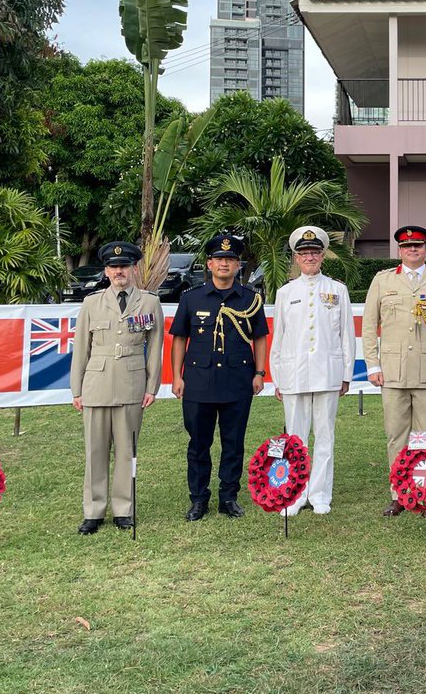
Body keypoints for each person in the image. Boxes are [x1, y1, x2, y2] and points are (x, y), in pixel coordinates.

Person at [362, 224, 426, 517]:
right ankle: (399, 493)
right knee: (396, 435)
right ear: (399, 250)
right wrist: (373, 364)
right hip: (393, 372)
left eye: (418, 246)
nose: (412, 250)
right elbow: (370, 326)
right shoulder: (382, 281)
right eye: (407, 246)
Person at [170, 231, 269, 521]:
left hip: (238, 381)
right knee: (198, 444)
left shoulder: (250, 299)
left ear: (238, 265)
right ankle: (198, 499)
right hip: (198, 383)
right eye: (219, 259)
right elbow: (179, 338)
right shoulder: (191, 298)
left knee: (233, 442)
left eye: (230, 259)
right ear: (209, 264)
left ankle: (229, 497)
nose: (224, 264)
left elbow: (260, 337)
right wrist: (177, 376)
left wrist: (260, 372)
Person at [70, 241, 164, 534]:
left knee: (127, 451)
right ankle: (94, 511)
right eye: (114, 267)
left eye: (124, 266)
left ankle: (124, 509)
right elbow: (81, 349)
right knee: (95, 451)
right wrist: (77, 389)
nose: (119, 271)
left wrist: (152, 386)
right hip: (96, 384)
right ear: (106, 271)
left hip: (132, 384)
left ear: (134, 268)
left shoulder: (149, 302)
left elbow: (156, 348)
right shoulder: (92, 303)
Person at [270, 226, 354, 516]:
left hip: (327, 373)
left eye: (315, 252)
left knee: (325, 435)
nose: (310, 257)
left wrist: (345, 374)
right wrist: (277, 377)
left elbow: (346, 335)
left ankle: (319, 494)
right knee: (295, 437)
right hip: (294, 374)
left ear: (322, 255)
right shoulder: (285, 292)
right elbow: (278, 337)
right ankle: (294, 494)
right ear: (295, 257)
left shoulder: (337, 289)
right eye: (304, 253)